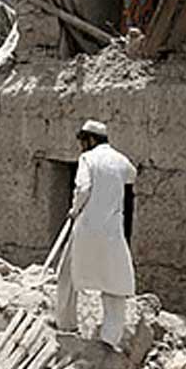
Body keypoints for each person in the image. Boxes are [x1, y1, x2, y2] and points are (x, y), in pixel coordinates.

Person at [56, 119, 137, 350]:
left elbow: (83, 187)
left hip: (87, 228)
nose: (81, 146)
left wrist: (75, 209)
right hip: (112, 232)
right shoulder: (120, 159)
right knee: (114, 283)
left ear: (90, 140)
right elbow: (131, 176)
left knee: (67, 275)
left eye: (82, 141)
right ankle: (110, 338)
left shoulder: (87, 159)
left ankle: (67, 326)